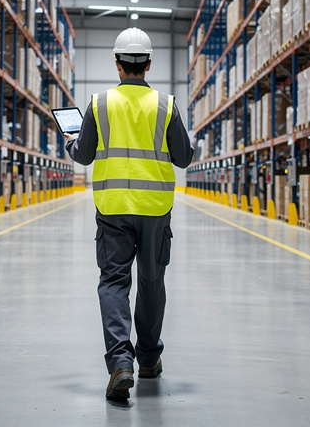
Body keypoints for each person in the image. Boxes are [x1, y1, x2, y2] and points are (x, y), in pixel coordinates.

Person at [64, 27, 195, 401]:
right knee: (152, 281)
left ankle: (121, 363)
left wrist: (72, 143)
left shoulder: (99, 103)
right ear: (149, 64)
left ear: (117, 64)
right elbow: (184, 158)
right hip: (155, 209)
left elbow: (84, 155)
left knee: (114, 282)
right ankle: (150, 360)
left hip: (113, 208)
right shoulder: (167, 105)